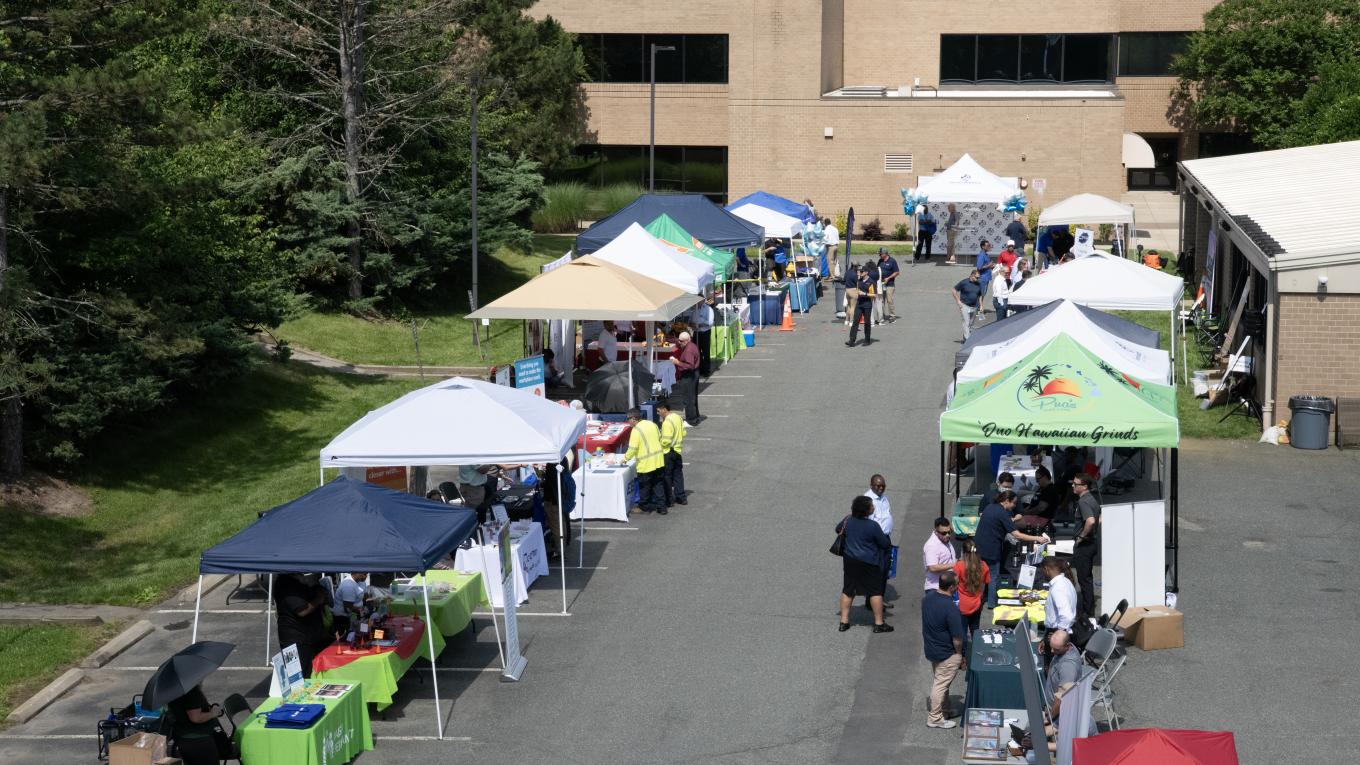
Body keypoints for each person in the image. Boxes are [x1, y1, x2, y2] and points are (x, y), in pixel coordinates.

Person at [974, 490, 1049, 609]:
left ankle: (979, 599)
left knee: (980, 574)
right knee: (994, 575)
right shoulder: (1002, 513)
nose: (1014, 506)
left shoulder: (989, 507)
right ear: (1006, 501)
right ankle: (992, 603)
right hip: (991, 548)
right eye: (1013, 503)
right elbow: (1017, 534)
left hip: (978, 546)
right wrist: (1037, 538)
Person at [835, 495, 893, 633]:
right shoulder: (873, 526)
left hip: (850, 560)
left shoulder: (848, 520)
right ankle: (879, 624)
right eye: (871, 506)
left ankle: (844, 622)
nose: (873, 507)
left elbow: (838, 529)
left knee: (848, 590)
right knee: (875, 592)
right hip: (869, 562)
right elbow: (884, 543)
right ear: (866, 510)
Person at [921, 570, 966, 728]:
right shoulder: (950, 608)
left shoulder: (927, 599)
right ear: (952, 587)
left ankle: (944, 711)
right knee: (940, 684)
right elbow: (958, 638)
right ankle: (934, 718)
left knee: (942, 681)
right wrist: (959, 654)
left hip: (931, 649)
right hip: (947, 652)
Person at [272, 572, 330, 678]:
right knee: (297, 677)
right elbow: (302, 610)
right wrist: (319, 599)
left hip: (306, 637)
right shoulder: (286, 585)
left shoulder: (295, 582)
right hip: (295, 640)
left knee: (307, 673)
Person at [167, 684, 229, 765]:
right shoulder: (192, 692)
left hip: (182, 738)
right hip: (198, 741)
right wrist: (213, 713)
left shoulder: (174, 689)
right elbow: (195, 718)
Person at [1070, 472, 1101, 618]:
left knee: (1084, 579)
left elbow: (1091, 521)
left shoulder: (1083, 502)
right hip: (1092, 542)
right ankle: (1088, 609)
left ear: (1084, 486)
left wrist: (1081, 536)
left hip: (1085, 545)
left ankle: (1087, 613)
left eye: (1076, 484)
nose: (1073, 486)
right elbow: (1099, 517)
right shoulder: (1092, 499)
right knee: (1086, 578)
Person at [625, 408, 667, 514]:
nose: (627, 421)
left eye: (628, 419)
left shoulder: (636, 430)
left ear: (634, 418)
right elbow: (659, 437)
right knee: (658, 485)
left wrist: (625, 459)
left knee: (645, 487)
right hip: (658, 461)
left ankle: (644, 506)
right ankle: (662, 507)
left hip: (646, 464)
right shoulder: (652, 424)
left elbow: (632, 449)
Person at [952, 540, 990, 649]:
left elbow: (954, 584)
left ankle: (963, 656)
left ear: (963, 551)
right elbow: (986, 583)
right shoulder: (983, 565)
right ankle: (977, 653)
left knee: (962, 632)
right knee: (975, 630)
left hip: (962, 605)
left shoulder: (958, 566)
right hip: (977, 604)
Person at [865, 474, 894, 608]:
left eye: (883, 486)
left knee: (885, 569)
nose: (881, 488)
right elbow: (867, 523)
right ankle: (871, 601)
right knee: (876, 571)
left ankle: (878, 599)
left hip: (885, 538)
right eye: (878, 486)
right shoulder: (868, 499)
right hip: (875, 540)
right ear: (871, 485)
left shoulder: (884, 498)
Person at [540, 454, 576, 553]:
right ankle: (563, 545)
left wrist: (542, 482)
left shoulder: (553, 463)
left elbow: (551, 482)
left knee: (556, 525)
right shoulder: (562, 458)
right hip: (561, 498)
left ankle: (559, 550)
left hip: (553, 499)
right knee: (562, 522)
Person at [658, 401, 687, 507]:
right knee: (678, 474)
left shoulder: (666, 422)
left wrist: (658, 442)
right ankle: (681, 497)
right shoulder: (678, 417)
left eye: (659, 410)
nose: (658, 413)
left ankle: (669, 500)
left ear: (664, 409)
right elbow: (684, 432)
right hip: (677, 451)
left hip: (668, 452)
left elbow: (666, 441)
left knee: (667, 476)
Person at [670, 330, 702, 425]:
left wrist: (677, 362)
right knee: (692, 397)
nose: (679, 343)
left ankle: (691, 420)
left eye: (681, 341)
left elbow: (689, 366)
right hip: (693, 374)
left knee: (688, 398)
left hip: (689, 375)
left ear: (686, 341)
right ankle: (695, 417)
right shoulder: (692, 345)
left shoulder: (688, 350)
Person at [1041, 557, 1078, 634]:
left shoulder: (1058, 588)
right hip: (1057, 631)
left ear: (1046, 569)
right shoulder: (1066, 581)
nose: (1042, 574)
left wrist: (1057, 635)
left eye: (1042, 571)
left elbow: (1067, 616)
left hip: (1056, 632)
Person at [331, 572, 369, 638]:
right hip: (343, 617)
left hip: (357, 613)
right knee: (346, 638)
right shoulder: (348, 585)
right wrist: (362, 611)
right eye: (364, 574)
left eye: (366, 574)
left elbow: (365, 595)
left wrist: (366, 603)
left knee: (362, 633)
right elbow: (348, 607)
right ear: (356, 572)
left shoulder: (361, 581)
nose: (366, 576)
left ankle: (362, 639)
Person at [922, 516, 956, 592]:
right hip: (936, 588)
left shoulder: (944, 539)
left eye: (949, 532)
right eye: (944, 533)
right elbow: (932, 567)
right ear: (936, 532)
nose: (947, 535)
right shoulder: (932, 546)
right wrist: (954, 564)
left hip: (948, 586)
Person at [847, 263, 875, 347]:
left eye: (861, 271)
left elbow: (874, 295)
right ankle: (852, 340)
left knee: (867, 322)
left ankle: (867, 339)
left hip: (867, 304)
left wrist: (865, 294)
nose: (860, 273)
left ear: (866, 272)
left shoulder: (871, 282)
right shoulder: (859, 281)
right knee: (855, 321)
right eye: (859, 271)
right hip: (859, 303)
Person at [952, 269, 984, 340]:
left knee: (971, 323)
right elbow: (954, 290)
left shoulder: (978, 284)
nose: (978, 279)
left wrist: (981, 305)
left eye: (979, 277)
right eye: (977, 277)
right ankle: (967, 339)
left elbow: (980, 295)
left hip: (974, 306)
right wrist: (958, 301)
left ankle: (965, 335)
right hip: (964, 305)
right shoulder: (964, 282)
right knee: (966, 322)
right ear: (972, 275)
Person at [691, 295, 715, 378]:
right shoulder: (694, 309)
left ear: (703, 300)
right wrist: (692, 324)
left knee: (705, 352)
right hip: (696, 333)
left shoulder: (708, 309)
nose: (697, 302)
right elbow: (690, 320)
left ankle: (706, 371)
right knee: (697, 352)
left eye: (699, 300)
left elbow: (710, 323)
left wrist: (700, 325)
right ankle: (700, 369)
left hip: (704, 332)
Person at [876, 248, 900, 322]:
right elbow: (877, 270)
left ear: (885, 254)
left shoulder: (892, 261)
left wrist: (888, 278)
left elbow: (897, 272)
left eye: (880, 254)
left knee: (889, 300)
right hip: (881, 283)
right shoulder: (880, 261)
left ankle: (892, 316)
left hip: (890, 284)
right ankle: (881, 316)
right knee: (881, 300)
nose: (879, 255)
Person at [974, 240, 994, 313]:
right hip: (982, 278)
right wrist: (989, 265)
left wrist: (991, 266)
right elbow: (979, 267)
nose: (989, 247)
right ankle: (978, 309)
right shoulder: (982, 255)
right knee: (981, 294)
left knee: (982, 294)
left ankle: (979, 308)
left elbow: (985, 266)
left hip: (986, 277)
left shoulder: (985, 254)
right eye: (987, 245)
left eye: (989, 245)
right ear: (983, 246)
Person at [842, 257, 859, 325]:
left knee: (848, 306)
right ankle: (851, 321)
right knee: (853, 307)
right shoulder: (855, 274)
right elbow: (857, 283)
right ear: (855, 266)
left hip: (847, 290)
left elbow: (844, 280)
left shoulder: (847, 272)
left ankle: (846, 320)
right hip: (853, 290)